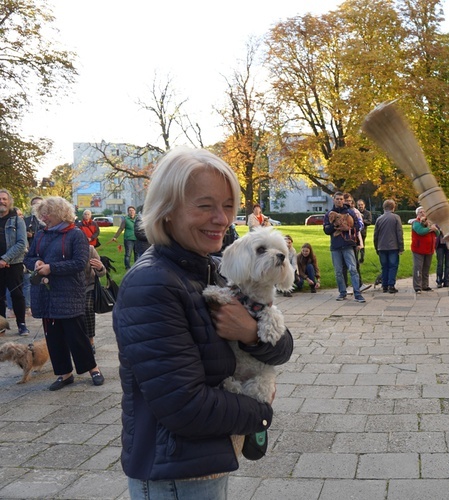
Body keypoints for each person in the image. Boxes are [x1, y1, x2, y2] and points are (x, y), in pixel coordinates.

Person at [113, 147, 293, 498]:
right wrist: (262, 413)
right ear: (167, 210)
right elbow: (184, 406)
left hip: (204, 460)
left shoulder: (204, 268)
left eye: (228, 206)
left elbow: (283, 347)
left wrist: (252, 334)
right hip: (176, 472)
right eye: (205, 205)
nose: (221, 218)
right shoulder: (153, 283)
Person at [24, 196, 104, 390]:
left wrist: (52, 268)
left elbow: (79, 263)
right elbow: (29, 257)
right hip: (45, 292)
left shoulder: (75, 235)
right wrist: (36, 263)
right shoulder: (41, 234)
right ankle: (64, 373)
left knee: (76, 334)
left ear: (60, 213)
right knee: (53, 335)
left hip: (69, 292)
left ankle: (93, 368)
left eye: (47, 213)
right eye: (41, 213)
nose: (44, 217)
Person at [324, 191, 365, 303]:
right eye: (337, 199)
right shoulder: (329, 214)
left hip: (348, 244)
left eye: (341, 199)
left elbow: (358, 226)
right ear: (334, 200)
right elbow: (326, 230)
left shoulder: (350, 212)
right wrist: (335, 225)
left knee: (353, 269)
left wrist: (348, 228)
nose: (339, 201)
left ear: (344, 200)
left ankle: (357, 293)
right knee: (338, 271)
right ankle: (342, 292)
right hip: (336, 246)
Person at [0, 189, 29, 336]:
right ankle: (1, 326)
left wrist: (5, 259)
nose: (2, 201)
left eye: (4, 199)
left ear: (9, 201)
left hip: (14, 263)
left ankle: (21, 324)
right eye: (0, 199)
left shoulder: (17, 220)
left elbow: (21, 243)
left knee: (17, 295)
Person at [373, 199, 403, 294]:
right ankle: (391, 285)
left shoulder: (379, 219)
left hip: (381, 246)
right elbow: (399, 233)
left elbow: (375, 235)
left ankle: (384, 286)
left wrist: (376, 247)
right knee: (393, 266)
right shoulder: (396, 218)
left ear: (384, 207)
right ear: (393, 207)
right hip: (393, 246)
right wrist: (401, 247)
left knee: (384, 267)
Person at [83, 245, 107, 353]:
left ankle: (90, 340)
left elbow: (102, 272)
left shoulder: (90, 250)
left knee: (87, 307)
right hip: (71, 287)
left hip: (88, 285)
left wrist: (100, 267)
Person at [23, 196, 44, 314]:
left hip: (43, 253)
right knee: (29, 280)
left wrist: (34, 235)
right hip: (29, 252)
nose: (36, 206)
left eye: (39, 204)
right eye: (34, 204)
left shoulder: (47, 220)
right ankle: (29, 305)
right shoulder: (26, 221)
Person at [411, 207, 438, 294]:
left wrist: (435, 229)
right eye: (420, 212)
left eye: (424, 211)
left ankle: (425, 285)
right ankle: (417, 287)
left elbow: (438, 233)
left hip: (429, 249)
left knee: (426, 268)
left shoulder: (430, 222)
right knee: (418, 268)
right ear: (417, 214)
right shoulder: (416, 222)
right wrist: (431, 229)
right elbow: (420, 231)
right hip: (418, 249)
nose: (422, 213)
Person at [112, 206, 138, 270]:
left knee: (137, 254)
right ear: (128, 212)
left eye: (132, 210)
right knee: (128, 254)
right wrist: (115, 237)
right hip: (128, 239)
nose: (131, 212)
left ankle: (136, 267)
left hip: (137, 239)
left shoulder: (138, 219)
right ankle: (127, 267)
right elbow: (121, 228)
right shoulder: (125, 219)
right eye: (130, 210)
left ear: (135, 211)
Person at [356, 199, 372, 263]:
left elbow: (369, 222)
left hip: (363, 232)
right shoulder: (355, 212)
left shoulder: (367, 213)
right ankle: (356, 259)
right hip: (355, 232)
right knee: (356, 246)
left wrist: (362, 220)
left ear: (364, 205)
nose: (360, 206)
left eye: (361, 205)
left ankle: (362, 258)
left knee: (362, 246)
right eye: (359, 205)